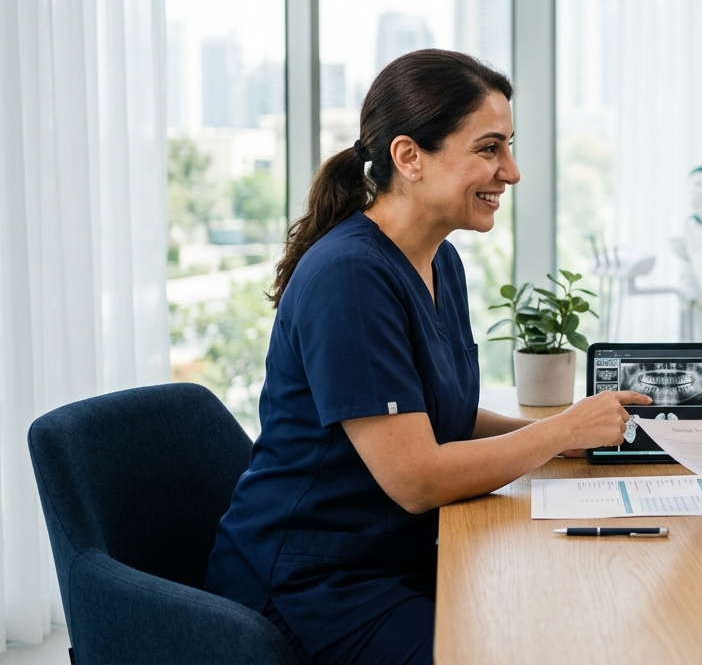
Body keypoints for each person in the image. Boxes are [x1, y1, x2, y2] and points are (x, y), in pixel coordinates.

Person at [204, 49, 651, 664]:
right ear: (409, 157)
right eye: (489, 148)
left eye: (509, 147)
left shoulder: (440, 260)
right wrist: (559, 431)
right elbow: (416, 479)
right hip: (314, 585)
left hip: (400, 559)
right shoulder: (350, 277)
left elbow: (438, 415)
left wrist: (553, 439)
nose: (511, 171)